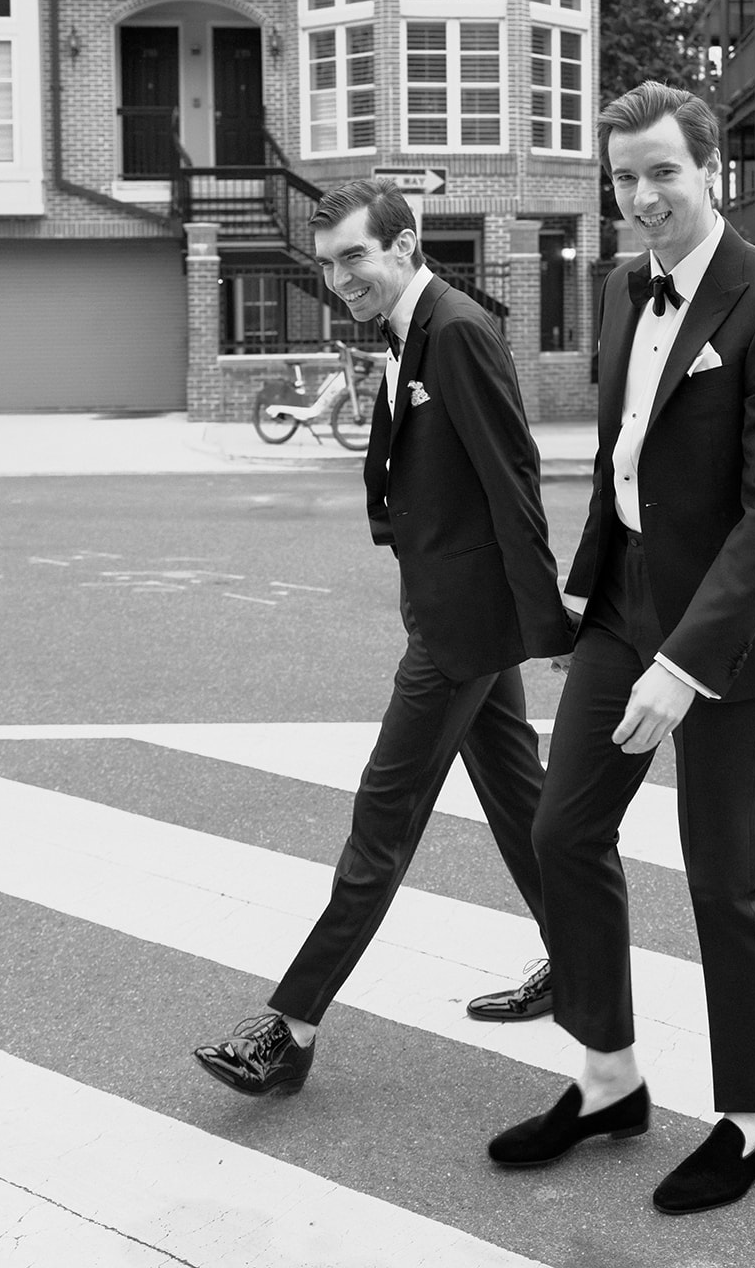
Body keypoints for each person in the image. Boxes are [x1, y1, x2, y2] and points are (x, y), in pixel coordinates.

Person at [486, 82, 755, 1214]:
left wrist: (683, 664)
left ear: (708, 171)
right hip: (625, 603)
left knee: (721, 869)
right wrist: (585, 598)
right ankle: (608, 1078)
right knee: (563, 826)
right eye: (622, 178)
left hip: (727, 635)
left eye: (660, 173)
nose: (640, 197)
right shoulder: (614, 288)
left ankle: (752, 1117)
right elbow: (620, 460)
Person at [195, 178, 571, 1099]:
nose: (340, 280)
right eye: (328, 266)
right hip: (451, 609)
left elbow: (513, 482)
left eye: (354, 257)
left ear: (405, 245)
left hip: (462, 628)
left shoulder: (457, 333)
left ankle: (289, 1028)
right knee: (521, 807)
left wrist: (549, 623)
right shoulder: (411, 330)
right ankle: (583, 965)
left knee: (383, 817)